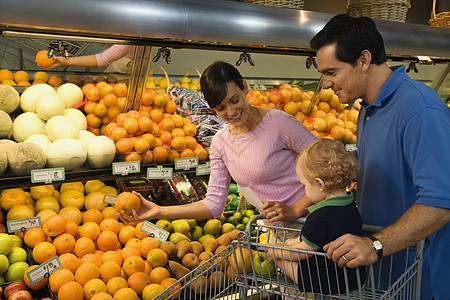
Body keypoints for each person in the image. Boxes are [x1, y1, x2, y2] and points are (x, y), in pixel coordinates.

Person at [309, 14, 450, 300]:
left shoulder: (420, 109)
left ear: (363, 60)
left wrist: (374, 245)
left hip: (422, 280)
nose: (325, 84)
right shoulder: (368, 108)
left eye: (332, 72)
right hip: (386, 276)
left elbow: (441, 202)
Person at [119, 60, 318, 227]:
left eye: (235, 100)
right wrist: (158, 211)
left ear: (244, 87)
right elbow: (214, 204)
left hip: (316, 219)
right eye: (221, 107)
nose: (231, 112)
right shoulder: (221, 143)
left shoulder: (279, 123)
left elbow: (329, 165)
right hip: (283, 232)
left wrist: (296, 208)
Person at [265, 139, 364, 295]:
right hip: (351, 277)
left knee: (280, 257)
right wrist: (298, 241)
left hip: (324, 280)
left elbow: (304, 252)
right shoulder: (350, 205)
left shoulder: (321, 216)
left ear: (319, 183)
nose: (304, 190)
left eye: (304, 184)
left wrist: (277, 251)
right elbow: (321, 237)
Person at [43, 44, 135, 73]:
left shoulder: (125, 45)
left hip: (127, 60)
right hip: (122, 49)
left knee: (114, 78)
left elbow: (102, 59)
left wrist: (64, 61)